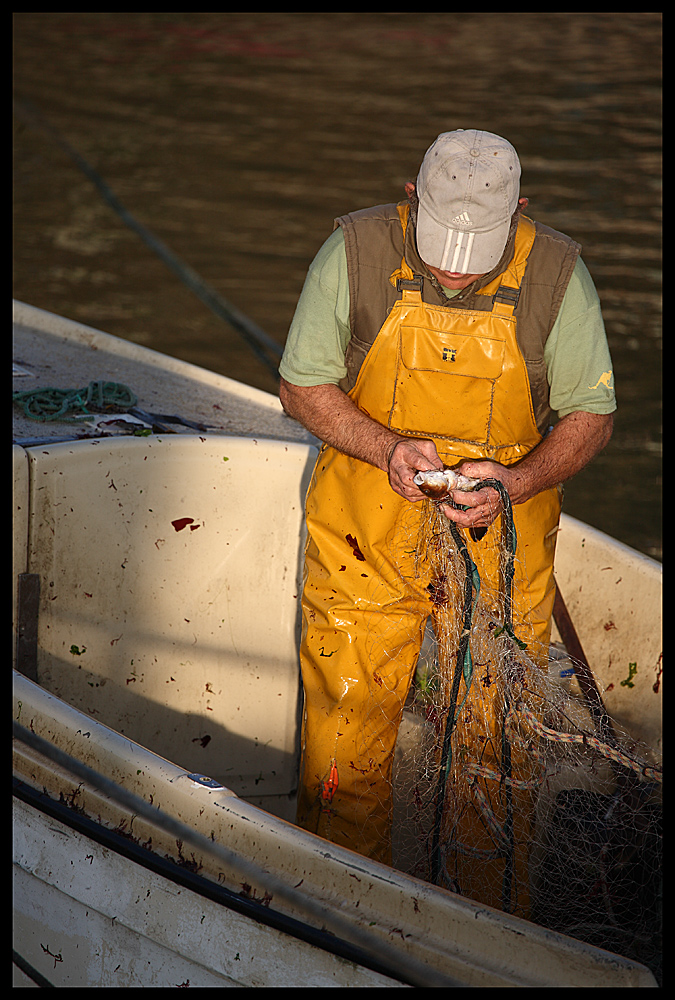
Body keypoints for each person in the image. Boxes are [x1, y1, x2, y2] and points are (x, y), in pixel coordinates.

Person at [278, 129, 616, 905]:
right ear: (411, 197)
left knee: (495, 738)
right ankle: (338, 902)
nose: (454, 265)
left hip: (501, 530)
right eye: (438, 247)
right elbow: (303, 388)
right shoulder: (354, 251)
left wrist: (517, 481)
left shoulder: (560, 273)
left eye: (477, 246)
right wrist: (386, 446)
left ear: (519, 209)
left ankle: (484, 914)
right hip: (366, 525)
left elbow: (590, 414)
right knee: (347, 724)